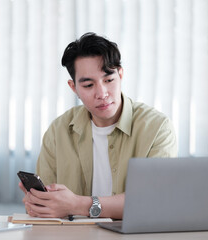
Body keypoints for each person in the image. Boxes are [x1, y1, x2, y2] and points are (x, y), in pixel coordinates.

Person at [19, 32, 177, 220]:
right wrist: (38, 204)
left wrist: (77, 205)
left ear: (120, 74)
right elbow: (47, 208)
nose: (102, 93)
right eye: (88, 85)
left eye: (109, 80)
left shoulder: (157, 128)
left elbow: (154, 201)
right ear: (73, 88)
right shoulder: (58, 131)